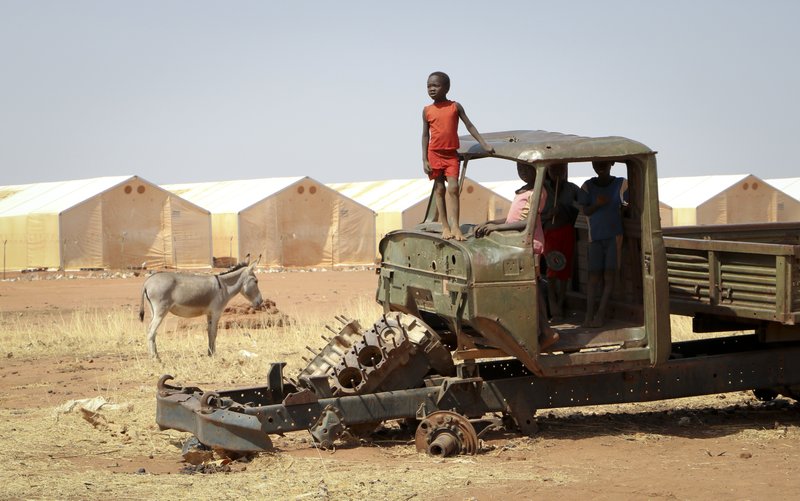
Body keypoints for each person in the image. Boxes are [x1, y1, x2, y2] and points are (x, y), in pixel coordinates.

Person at [475, 162, 559, 350]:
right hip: (520, 243)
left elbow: (526, 223)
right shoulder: (525, 191)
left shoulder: (537, 192)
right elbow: (513, 219)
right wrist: (492, 222)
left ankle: (546, 331)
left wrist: (497, 227)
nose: (522, 172)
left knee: (534, 289)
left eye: (526, 169)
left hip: (531, 244)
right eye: (519, 169)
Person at [423, 71, 494, 241]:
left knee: (454, 188)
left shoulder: (455, 106)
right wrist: (424, 159)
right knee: (440, 189)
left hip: (450, 154)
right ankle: (445, 227)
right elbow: (425, 135)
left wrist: (484, 144)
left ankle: (456, 226)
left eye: (436, 85)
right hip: (434, 153)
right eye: (429, 86)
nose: (432, 89)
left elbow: (469, 125)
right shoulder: (427, 110)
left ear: (446, 88)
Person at [578, 160, 628, 328]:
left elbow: (627, 206)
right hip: (596, 237)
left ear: (611, 163)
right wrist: (598, 204)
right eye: (597, 163)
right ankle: (590, 315)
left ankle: (599, 314)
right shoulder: (587, 186)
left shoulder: (621, 184)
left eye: (603, 163)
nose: (600, 166)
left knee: (608, 275)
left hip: (613, 236)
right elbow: (585, 210)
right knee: (594, 277)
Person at [541, 163, 580, 321]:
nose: (557, 172)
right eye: (553, 169)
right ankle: (553, 307)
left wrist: (564, 210)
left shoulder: (572, 189)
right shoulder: (542, 189)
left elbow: (581, 208)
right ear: (547, 171)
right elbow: (536, 214)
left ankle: (561, 305)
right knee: (551, 272)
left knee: (564, 272)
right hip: (550, 233)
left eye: (560, 169)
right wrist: (549, 215)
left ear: (565, 170)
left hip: (567, 232)